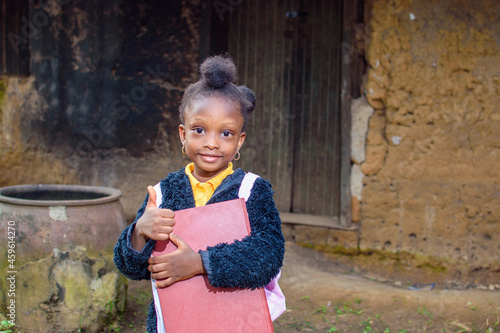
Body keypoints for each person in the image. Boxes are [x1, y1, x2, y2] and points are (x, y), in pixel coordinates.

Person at [113, 55, 285, 332]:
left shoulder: (252, 191)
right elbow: (130, 268)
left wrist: (200, 263)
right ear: (183, 134)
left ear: (240, 139)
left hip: (234, 321)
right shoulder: (163, 193)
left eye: (226, 133)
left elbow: (268, 256)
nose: (211, 143)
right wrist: (139, 232)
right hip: (173, 323)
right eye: (199, 130)